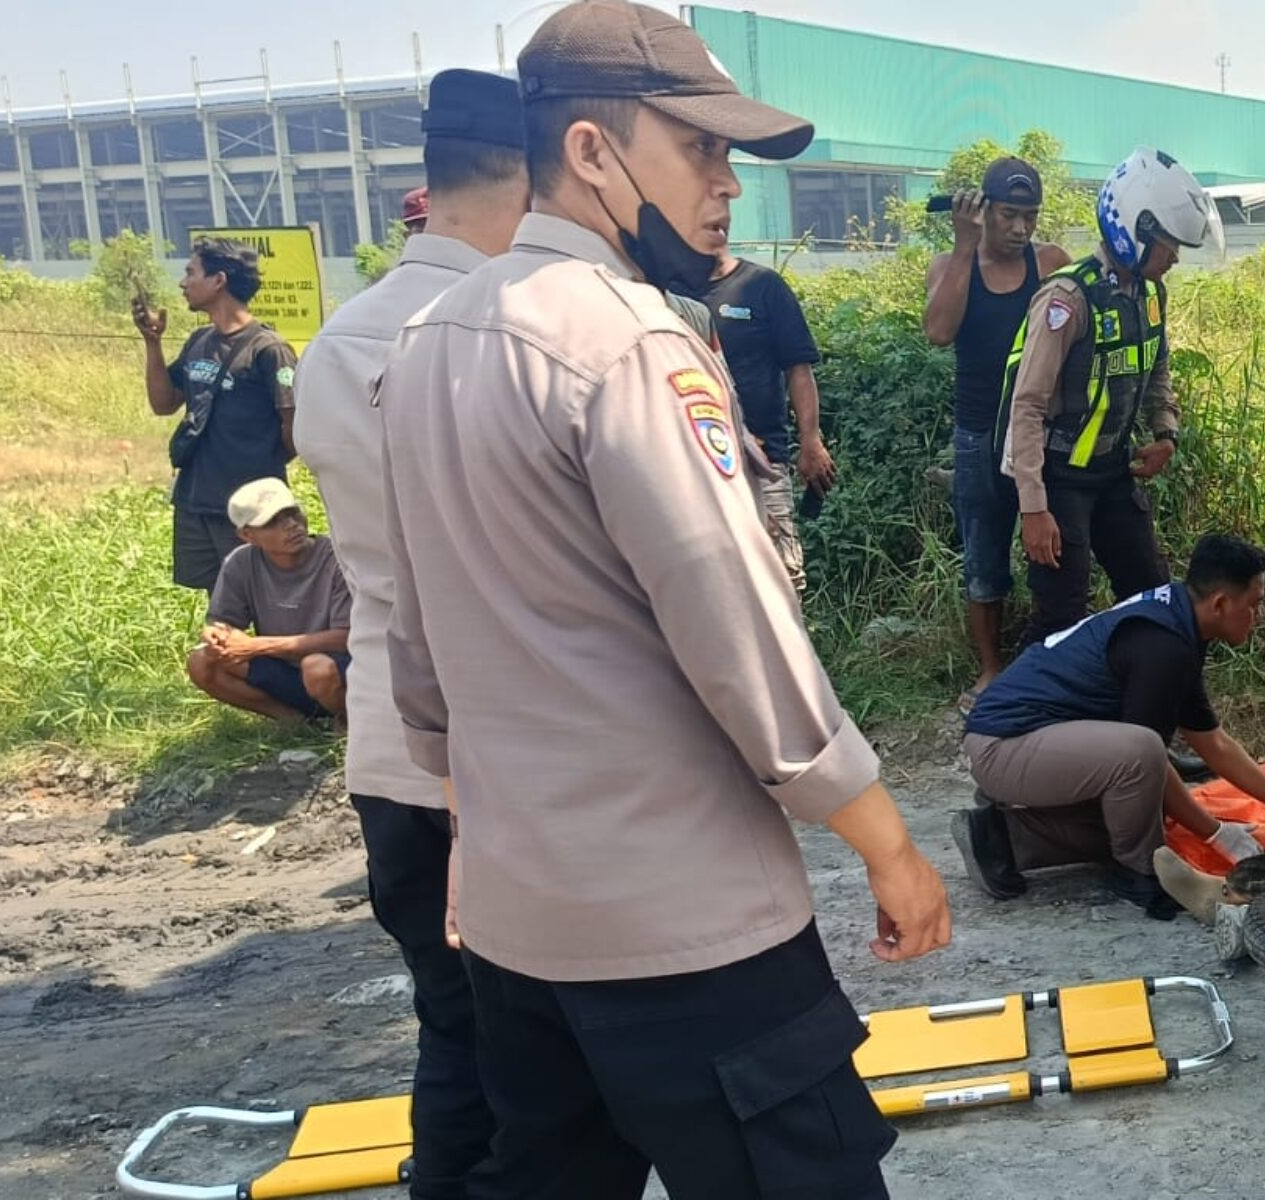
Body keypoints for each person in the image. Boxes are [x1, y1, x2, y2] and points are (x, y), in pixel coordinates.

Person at [373, 4, 949, 1195]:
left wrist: (472, 830)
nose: (726, 184)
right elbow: (737, 630)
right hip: (682, 930)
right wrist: (887, 845)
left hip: (522, 929)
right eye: (699, 148)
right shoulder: (629, 342)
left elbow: (416, 643)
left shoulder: (427, 341)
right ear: (591, 151)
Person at [292, 67, 526, 1200]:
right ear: (527, 177)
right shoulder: (505, 330)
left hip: (391, 751)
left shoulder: (338, 341)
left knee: (454, 1029)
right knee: (546, 1060)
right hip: (509, 754)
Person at [959, 534, 1265, 917]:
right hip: (1002, 743)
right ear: (1220, 603)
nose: (1258, 616)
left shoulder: (1177, 621)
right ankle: (1139, 872)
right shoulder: (1163, 645)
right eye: (1254, 605)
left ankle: (1001, 838)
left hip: (1026, 743)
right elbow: (1145, 757)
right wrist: (1215, 832)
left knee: (1139, 813)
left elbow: (1214, 744)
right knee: (1145, 763)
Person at [996, 146, 1214, 649]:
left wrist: (1166, 433)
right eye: (1169, 244)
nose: (1175, 257)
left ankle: (1136, 684)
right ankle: (1021, 696)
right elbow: (1027, 406)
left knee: (1152, 593)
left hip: (1114, 471)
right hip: (1059, 478)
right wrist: (1034, 508)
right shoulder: (1068, 300)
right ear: (1135, 233)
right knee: (1060, 614)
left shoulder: (1150, 295)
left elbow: (1157, 366)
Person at [923, 157, 1070, 706]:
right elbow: (939, 332)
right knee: (984, 553)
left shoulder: (1050, 262)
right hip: (979, 431)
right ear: (983, 211)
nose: (1020, 228)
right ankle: (990, 669)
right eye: (1009, 215)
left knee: (1050, 546)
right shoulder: (950, 264)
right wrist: (964, 247)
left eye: (1030, 217)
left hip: (1041, 430)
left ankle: (1047, 660)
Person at [136, 238, 299, 592]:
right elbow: (164, 403)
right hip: (197, 500)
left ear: (219, 280)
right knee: (220, 601)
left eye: (191, 273)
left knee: (263, 596)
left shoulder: (268, 350)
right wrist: (152, 342)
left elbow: (294, 427)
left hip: (250, 509)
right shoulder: (199, 341)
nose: (183, 283)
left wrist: (261, 464)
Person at [704, 248, 832, 585]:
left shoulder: (762, 285)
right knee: (715, 580)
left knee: (782, 579)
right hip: (698, 467)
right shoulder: (669, 292)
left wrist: (811, 442)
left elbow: (798, 369)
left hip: (766, 462)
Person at [186, 478, 351, 724]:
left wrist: (257, 646)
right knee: (202, 661)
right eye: (272, 522)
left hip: (336, 668)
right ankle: (292, 720)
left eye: (292, 513)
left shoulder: (337, 559)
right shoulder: (241, 563)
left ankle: (346, 719)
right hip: (282, 668)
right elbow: (223, 622)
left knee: (316, 668)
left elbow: (346, 637)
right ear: (247, 535)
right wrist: (217, 636)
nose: (291, 525)